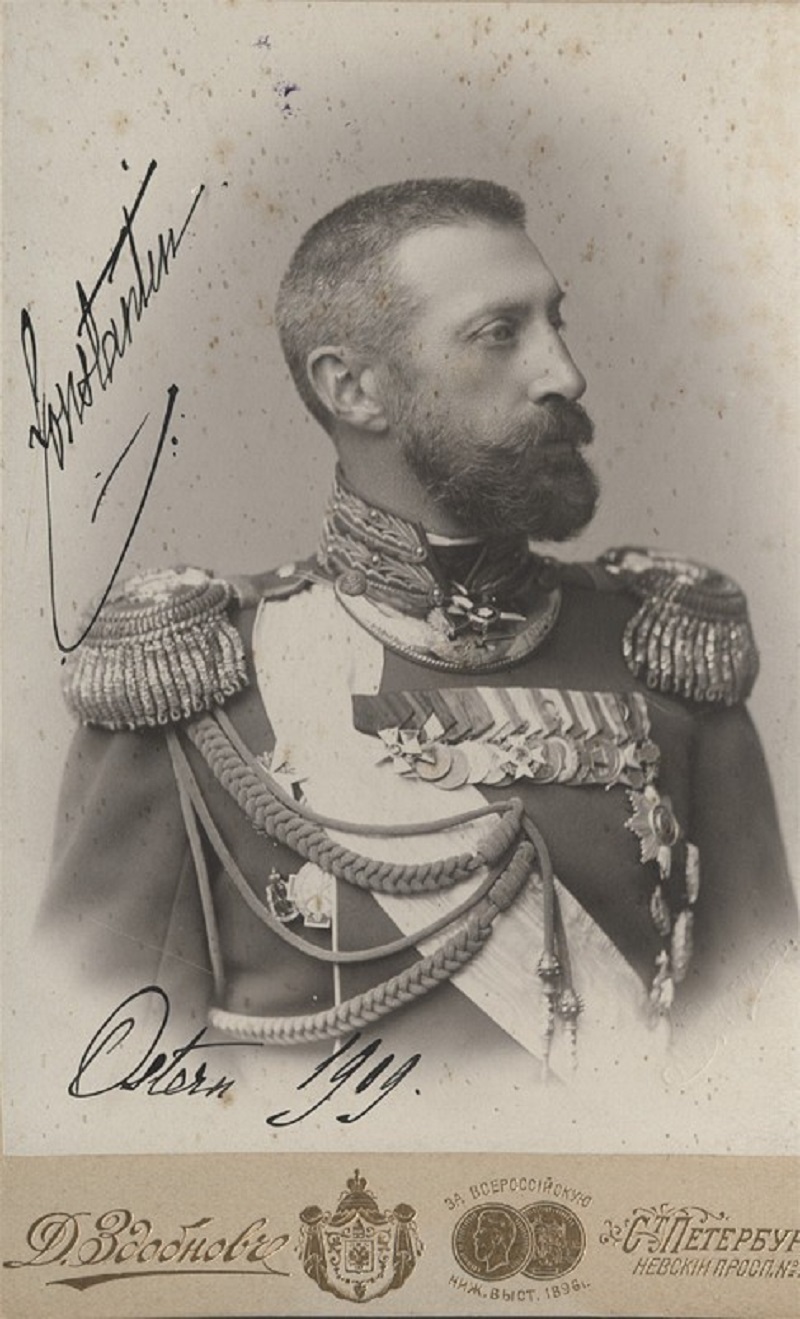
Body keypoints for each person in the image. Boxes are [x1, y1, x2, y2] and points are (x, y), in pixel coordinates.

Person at [44, 178, 795, 1089]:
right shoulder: (198, 683)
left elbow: (764, 1068)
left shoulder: (661, 653)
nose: (565, 374)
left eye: (555, 322)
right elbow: (102, 1081)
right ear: (354, 388)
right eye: (500, 333)